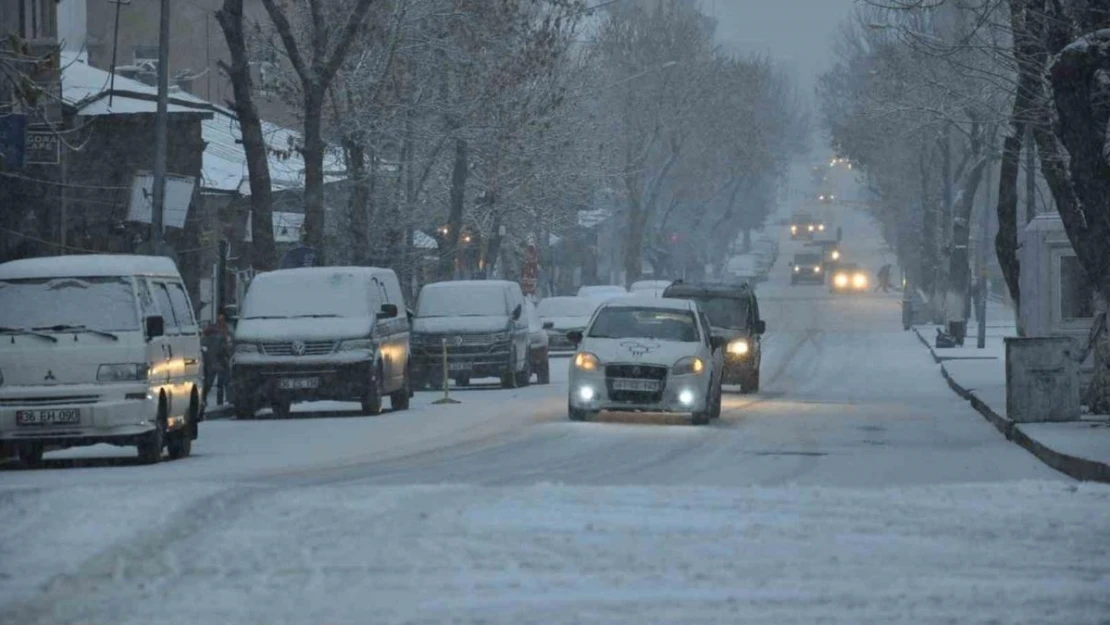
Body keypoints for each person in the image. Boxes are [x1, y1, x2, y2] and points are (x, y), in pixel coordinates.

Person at [202, 312, 232, 406]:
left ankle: (204, 399)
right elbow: (225, 349)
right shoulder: (223, 334)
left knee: (209, 383)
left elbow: (203, 346)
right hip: (220, 362)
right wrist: (228, 356)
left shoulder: (208, 335)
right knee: (223, 382)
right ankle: (224, 400)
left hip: (210, 362)